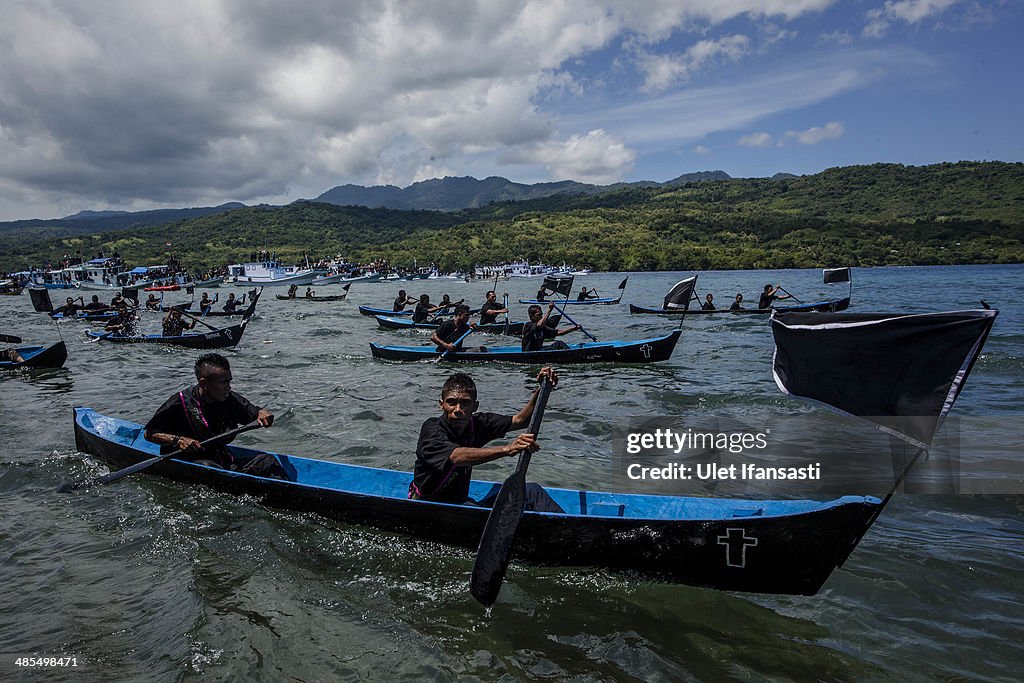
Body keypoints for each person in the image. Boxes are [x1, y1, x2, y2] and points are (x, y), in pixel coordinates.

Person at [410, 368, 563, 512]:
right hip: (431, 502)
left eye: (465, 403)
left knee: (532, 491)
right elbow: (457, 456)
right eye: (451, 402)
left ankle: (569, 527)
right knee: (474, 509)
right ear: (441, 405)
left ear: (475, 406)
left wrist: (543, 388)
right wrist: (507, 449)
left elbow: (521, 420)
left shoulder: (479, 423)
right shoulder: (432, 430)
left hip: (460, 501)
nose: (458, 409)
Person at [144, 353, 284, 477]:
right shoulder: (179, 402)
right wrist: (178, 440)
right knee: (209, 468)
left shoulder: (229, 398)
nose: (228, 387)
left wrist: (263, 413)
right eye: (223, 382)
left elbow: (255, 413)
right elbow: (149, 434)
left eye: (229, 381)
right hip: (190, 461)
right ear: (204, 383)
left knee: (268, 461)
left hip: (220, 459)